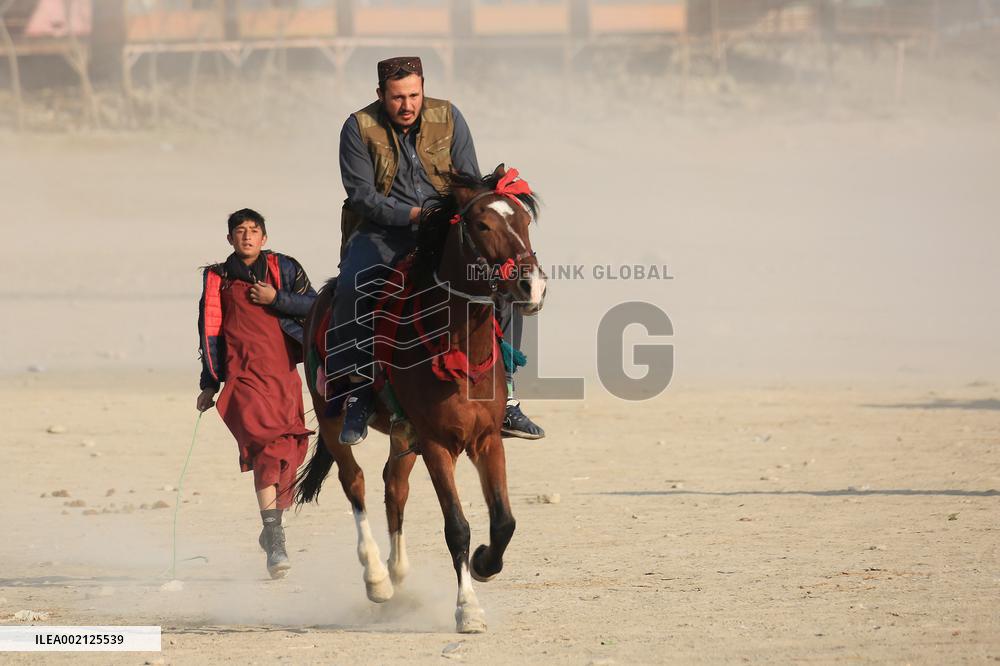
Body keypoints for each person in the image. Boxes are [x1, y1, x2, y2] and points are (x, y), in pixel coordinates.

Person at [331, 55, 545, 445]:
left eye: (414, 94)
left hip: (444, 229)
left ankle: (507, 393)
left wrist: (486, 195)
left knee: (504, 279)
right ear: (381, 95)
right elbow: (362, 197)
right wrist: (415, 214)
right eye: (397, 97)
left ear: (423, 88)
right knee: (352, 285)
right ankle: (358, 389)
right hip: (381, 232)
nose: (407, 105)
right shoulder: (357, 127)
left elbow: (467, 179)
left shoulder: (449, 117)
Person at [196, 208, 317, 579]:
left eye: (253, 231)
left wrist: (275, 298)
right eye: (239, 231)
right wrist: (208, 383)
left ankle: (271, 529)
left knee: (289, 455)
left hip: (283, 376)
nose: (247, 236)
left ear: (264, 238)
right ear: (230, 239)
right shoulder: (217, 278)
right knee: (266, 448)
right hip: (242, 380)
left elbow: (315, 305)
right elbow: (208, 331)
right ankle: (275, 535)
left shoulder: (285, 269)